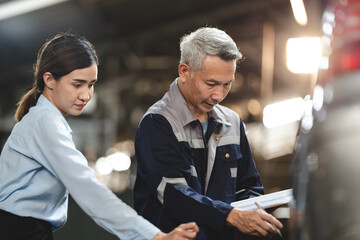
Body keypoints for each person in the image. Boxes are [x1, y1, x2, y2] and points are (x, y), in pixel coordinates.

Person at [0, 32, 199, 240]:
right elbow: (89, 191)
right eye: (77, 84)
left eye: (91, 84)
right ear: (49, 80)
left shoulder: (44, 120)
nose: (85, 95)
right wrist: (155, 236)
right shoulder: (44, 122)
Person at [133, 27, 283, 240]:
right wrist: (230, 215)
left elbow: (249, 187)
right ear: (184, 71)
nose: (218, 95)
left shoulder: (232, 122)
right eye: (211, 84)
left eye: (227, 84)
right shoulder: (158, 123)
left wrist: (253, 213)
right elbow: (175, 195)